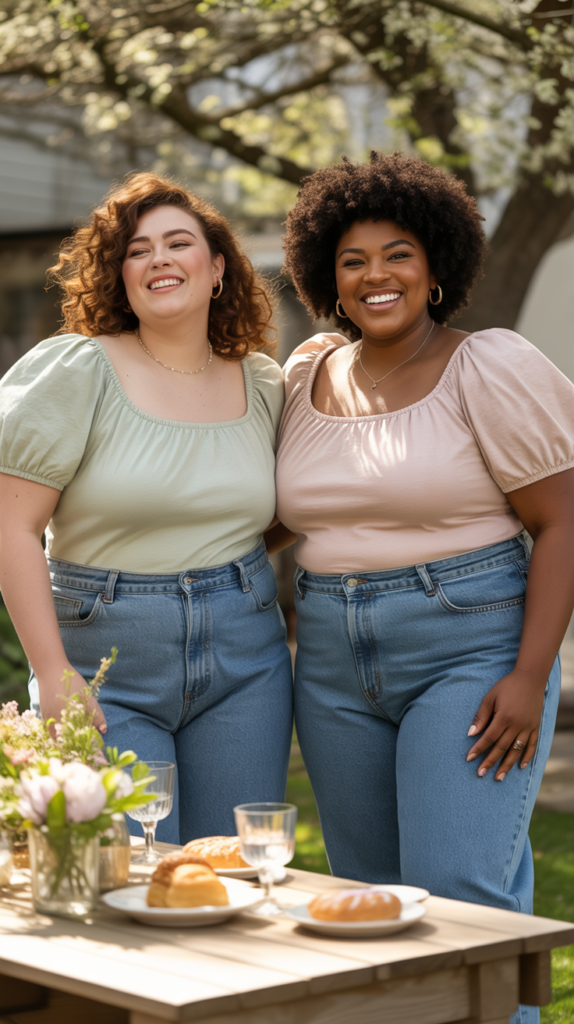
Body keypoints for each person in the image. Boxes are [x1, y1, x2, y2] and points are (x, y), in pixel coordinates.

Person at [270, 151, 574, 1024]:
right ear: (327, 272)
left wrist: (527, 674)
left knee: (459, 904)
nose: (376, 276)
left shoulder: (491, 366)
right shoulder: (308, 374)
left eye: (398, 253)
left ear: (437, 265)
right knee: (367, 906)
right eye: (354, 259)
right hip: (329, 654)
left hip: (469, 646)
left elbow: (560, 521)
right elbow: (284, 516)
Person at [0, 171, 293, 845]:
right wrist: (51, 672)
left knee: (234, 873)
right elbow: (13, 528)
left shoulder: (263, 383)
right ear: (120, 276)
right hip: (105, 657)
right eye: (138, 249)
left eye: (178, 242)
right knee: (121, 877)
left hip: (246, 655)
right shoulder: (79, 371)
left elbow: (269, 515)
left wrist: (215, 575)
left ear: (216, 267)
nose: (158, 258)